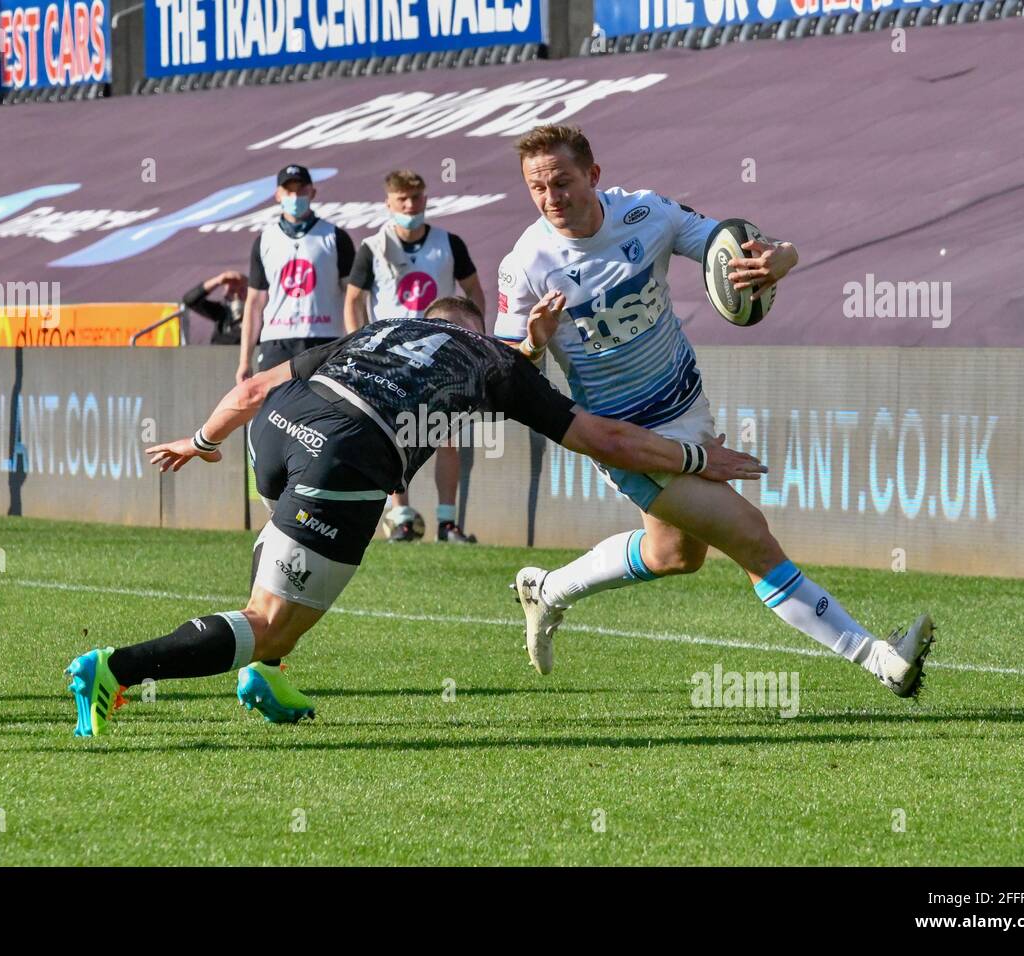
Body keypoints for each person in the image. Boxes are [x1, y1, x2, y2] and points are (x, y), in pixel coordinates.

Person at [64, 296, 767, 735]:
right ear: (484, 330)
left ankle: (267, 676)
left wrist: (199, 442)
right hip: (347, 453)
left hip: (276, 430)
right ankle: (114, 669)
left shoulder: (380, 331)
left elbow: (251, 386)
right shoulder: (495, 360)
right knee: (272, 613)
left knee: (288, 559)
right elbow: (604, 438)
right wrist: (697, 459)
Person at [493, 124, 934, 696]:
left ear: (594, 176)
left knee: (674, 553)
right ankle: (881, 660)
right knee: (750, 535)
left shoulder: (647, 213)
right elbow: (507, 371)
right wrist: (532, 342)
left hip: (685, 402)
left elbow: (737, 244)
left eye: (562, 181)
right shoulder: (525, 263)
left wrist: (782, 259)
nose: (552, 197)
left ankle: (548, 590)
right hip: (623, 438)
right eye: (538, 186)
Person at [344, 169, 484, 544]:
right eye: (402, 200)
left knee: (446, 436)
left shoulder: (448, 243)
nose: (410, 206)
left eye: (416, 198)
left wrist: (474, 338)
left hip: (440, 352)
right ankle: (401, 516)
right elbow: (354, 298)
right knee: (394, 436)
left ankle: (447, 522)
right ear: (389, 203)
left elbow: (473, 290)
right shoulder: (373, 247)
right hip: (391, 355)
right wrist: (357, 343)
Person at [237, 164, 354, 382]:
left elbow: (352, 295)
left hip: (325, 337)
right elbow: (254, 303)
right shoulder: (265, 240)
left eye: (301, 190)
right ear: (278, 195)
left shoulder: (334, 237)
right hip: (278, 340)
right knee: (273, 408)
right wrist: (245, 360)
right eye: (289, 191)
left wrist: (355, 341)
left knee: (325, 407)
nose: (295, 196)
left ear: (312, 192)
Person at [182, 269, 246, 345]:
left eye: (241, 291)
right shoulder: (223, 313)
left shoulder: (259, 316)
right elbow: (190, 300)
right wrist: (218, 280)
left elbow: (231, 339)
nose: (237, 296)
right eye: (231, 291)